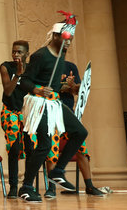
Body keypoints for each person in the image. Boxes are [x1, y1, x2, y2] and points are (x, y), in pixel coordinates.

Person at [17, 20, 88, 203]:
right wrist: (38, 89)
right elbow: (24, 81)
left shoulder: (61, 55)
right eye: (66, 37)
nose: (69, 42)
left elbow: (55, 82)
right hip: (39, 103)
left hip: (54, 103)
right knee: (45, 145)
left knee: (80, 132)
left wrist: (68, 87)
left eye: (71, 38)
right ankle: (26, 187)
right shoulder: (41, 55)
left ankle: (58, 171)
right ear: (56, 36)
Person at [43, 60, 107, 198]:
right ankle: (51, 188)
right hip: (51, 114)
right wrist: (61, 86)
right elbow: (42, 89)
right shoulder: (45, 64)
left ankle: (89, 186)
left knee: (81, 148)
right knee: (52, 149)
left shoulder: (70, 66)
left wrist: (72, 86)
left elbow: (78, 90)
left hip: (69, 115)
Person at [0, 40, 29, 199]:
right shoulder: (6, 67)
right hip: (10, 111)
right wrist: (17, 74)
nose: (16, 54)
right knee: (14, 148)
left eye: (19, 52)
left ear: (26, 54)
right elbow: (8, 91)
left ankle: (28, 185)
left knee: (31, 148)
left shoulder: (31, 69)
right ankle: (13, 186)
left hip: (27, 112)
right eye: (14, 51)